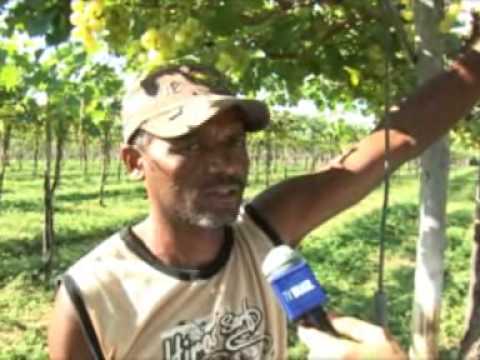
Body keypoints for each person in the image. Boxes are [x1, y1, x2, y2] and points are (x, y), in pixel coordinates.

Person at [48, 37, 480, 359]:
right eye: (190, 146)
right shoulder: (93, 296)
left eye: (233, 141)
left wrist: (475, 60)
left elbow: (393, 142)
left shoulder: (265, 235)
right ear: (133, 161)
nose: (224, 164)